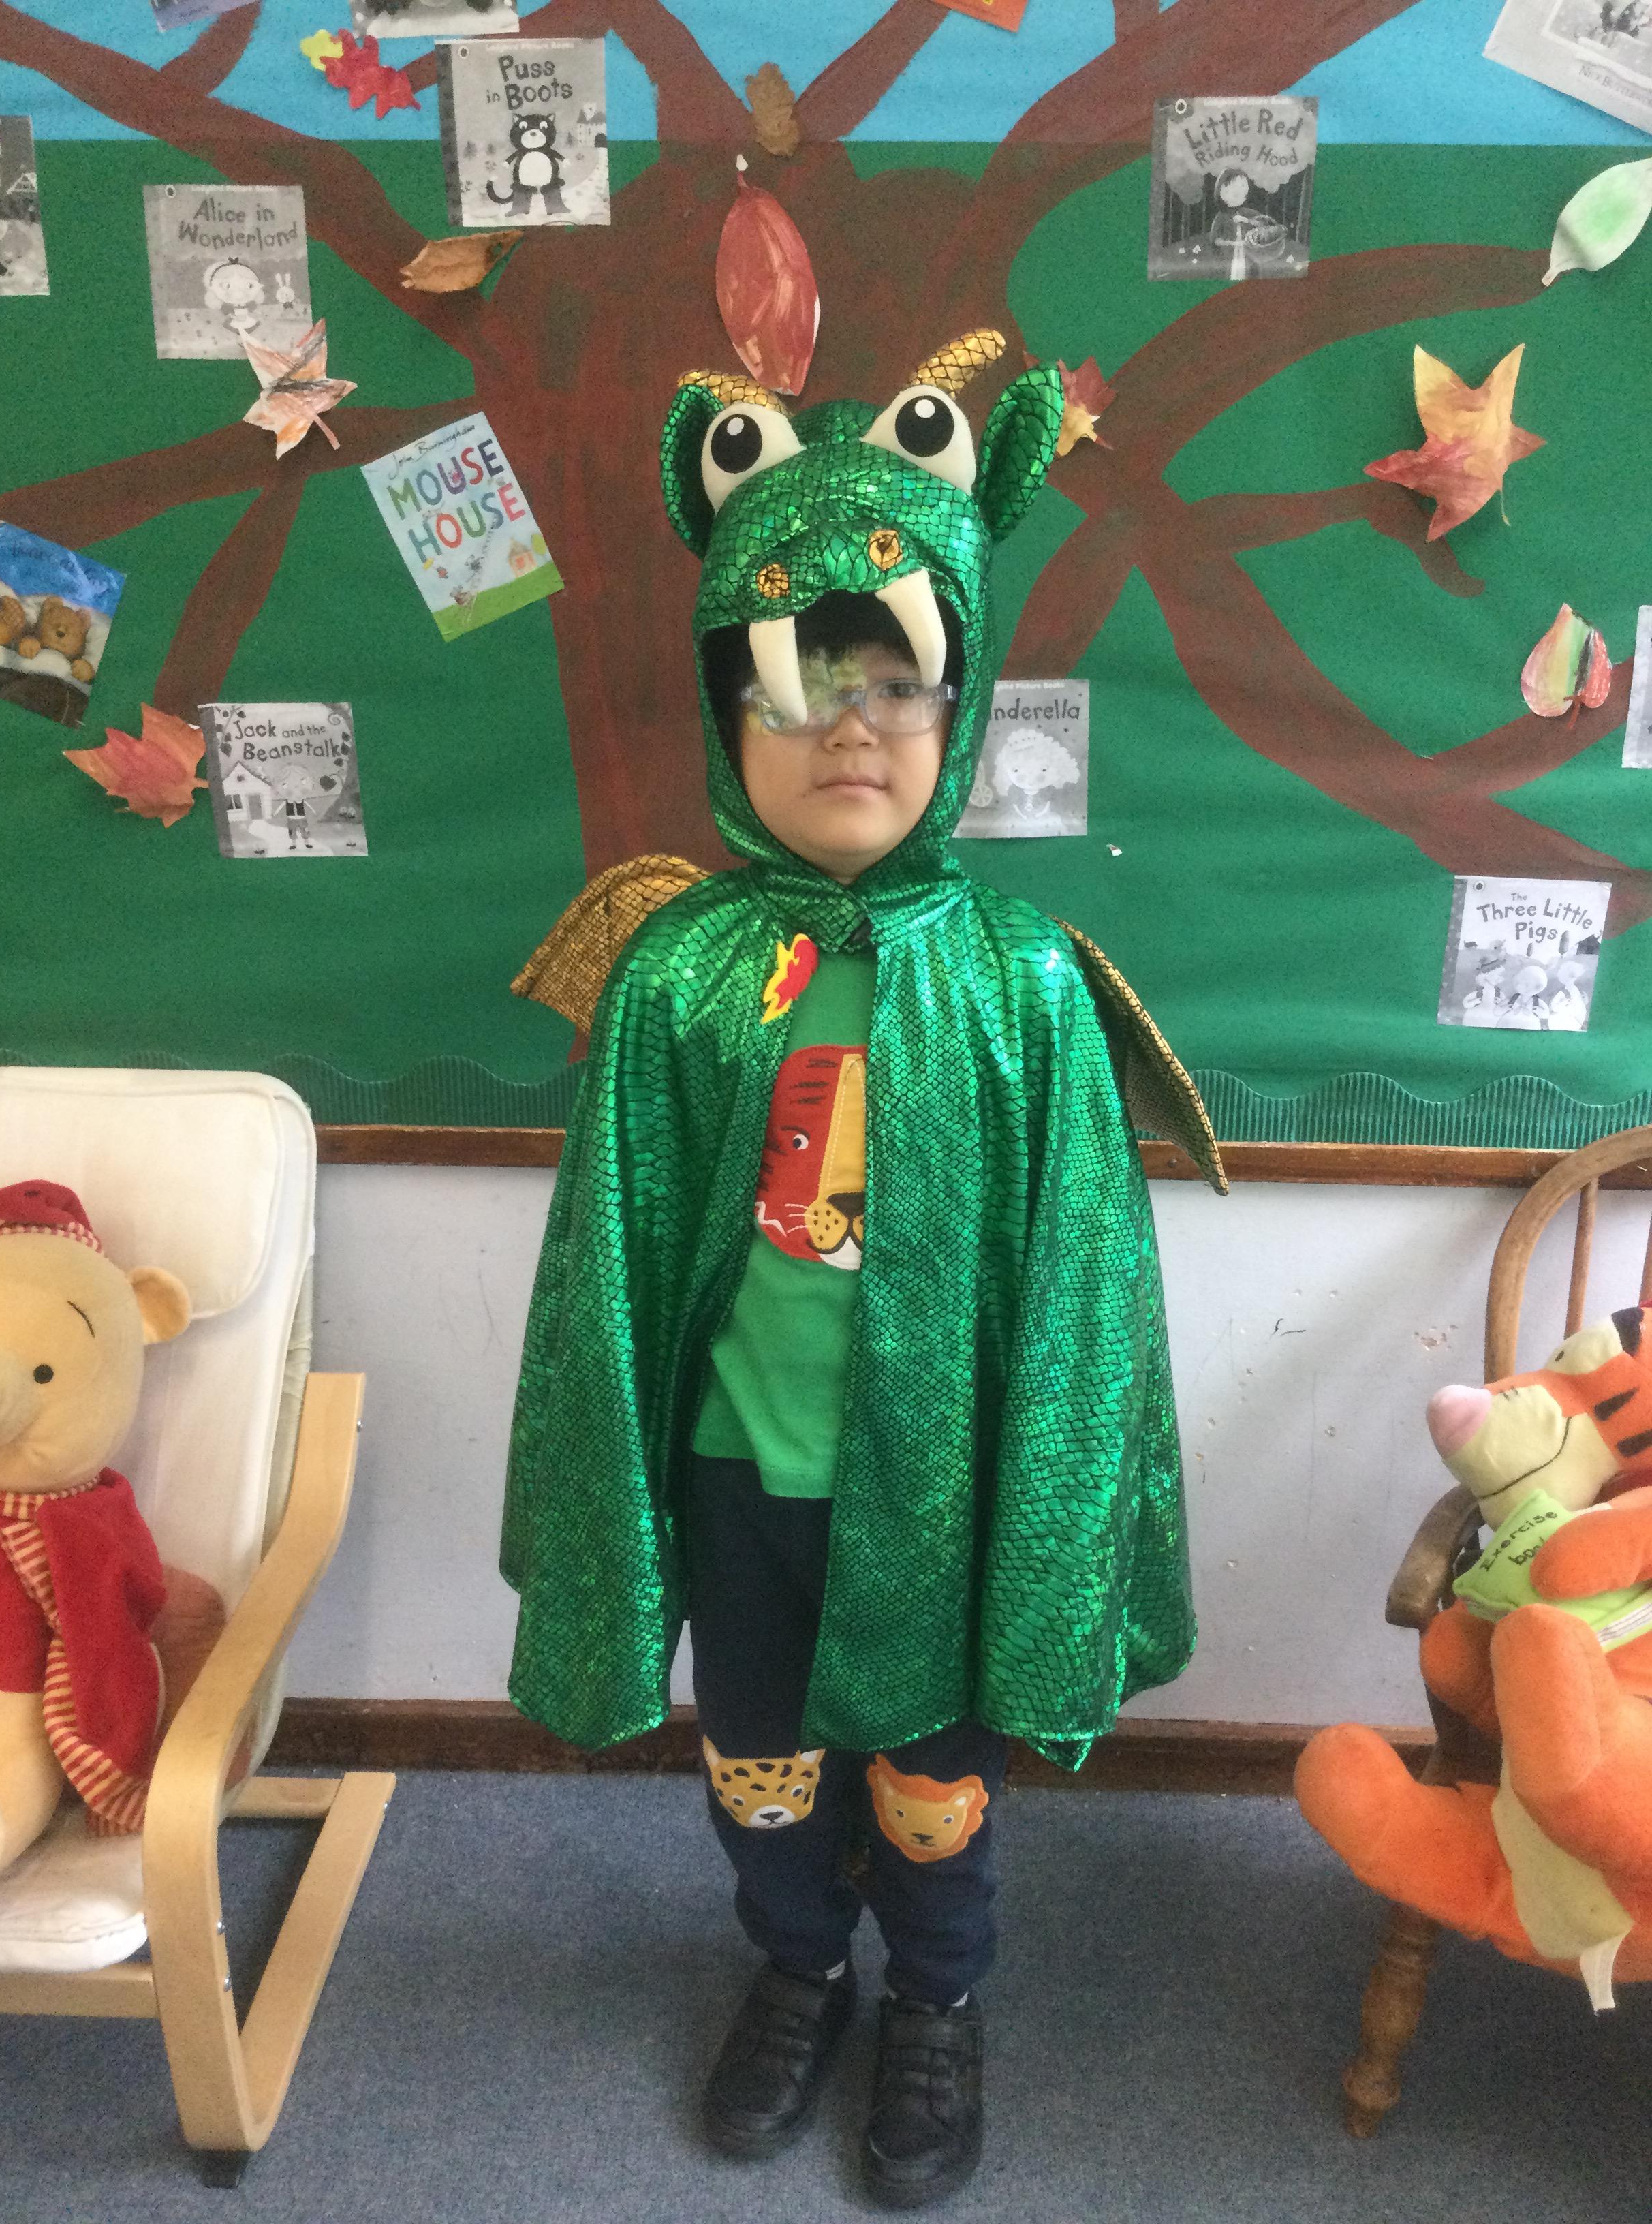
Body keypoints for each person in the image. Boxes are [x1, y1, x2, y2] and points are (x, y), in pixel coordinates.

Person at [501, 337, 1223, 2208]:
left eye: (893, 681)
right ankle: (800, 1965)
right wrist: (617, 1504)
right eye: (797, 679)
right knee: (760, 1762)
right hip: (742, 1477)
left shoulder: (1023, 981)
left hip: (949, 1493)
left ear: (956, 710)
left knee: (931, 1782)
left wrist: (1053, 1521)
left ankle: (939, 1995)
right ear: (727, 708)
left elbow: (1084, 1298)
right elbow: (606, 1275)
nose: (848, 728)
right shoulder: (678, 978)